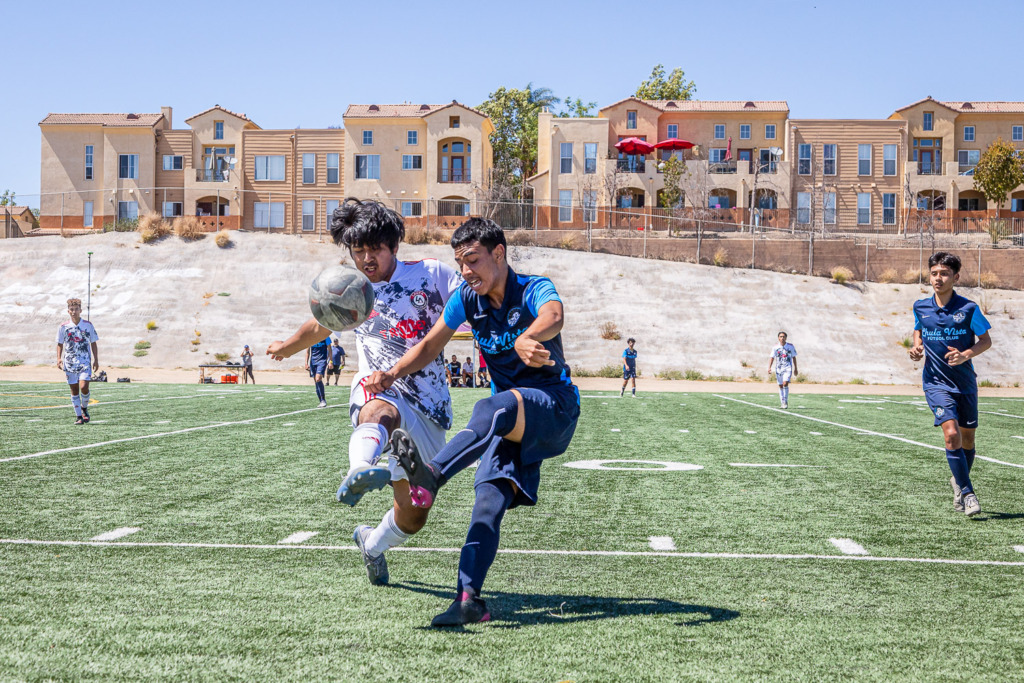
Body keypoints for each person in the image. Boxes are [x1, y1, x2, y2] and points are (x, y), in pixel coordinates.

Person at [365, 218, 580, 627]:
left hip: (554, 408)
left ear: (499, 254)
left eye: (474, 260)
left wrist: (528, 336)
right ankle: (468, 599)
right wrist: (392, 373)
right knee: (486, 503)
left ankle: (430, 477)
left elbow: (554, 314)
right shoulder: (467, 298)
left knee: (488, 407)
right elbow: (430, 344)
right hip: (509, 420)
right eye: (459, 262)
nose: (465, 271)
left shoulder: (533, 288)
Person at [267, 197, 461, 585]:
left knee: (414, 514)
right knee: (380, 412)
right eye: (359, 251)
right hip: (379, 384)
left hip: (429, 404)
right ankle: (360, 468)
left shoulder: (431, 274)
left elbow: (470, 304)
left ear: (394, 247)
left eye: (375, 249)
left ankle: (371, 545)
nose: (367, 258)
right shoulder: (351, 288)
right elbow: (321, 324)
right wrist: (287, 347)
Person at [909, 251, 992, 518]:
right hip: (935, 383)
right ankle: (967, 493)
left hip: (965, 384)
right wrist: (916, 346)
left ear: (955, 277)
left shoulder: (969, 309)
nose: (938, 278)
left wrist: (965, 354)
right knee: (952, 434)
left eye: (944, 273)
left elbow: (985, 340)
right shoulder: (920, 306)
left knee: (967, 438)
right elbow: (918, 327)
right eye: (934, 273)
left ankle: (958, 480)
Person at [56, 298, 99, 425]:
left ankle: (84, 407)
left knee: (84, 387)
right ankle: (79, 416)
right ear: (68, 311)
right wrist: (59, 358)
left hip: (84, 361)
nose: (74, 312)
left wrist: (96, 360)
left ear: (80, 310)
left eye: (76, 309)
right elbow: (59, 343)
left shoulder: (88, 325)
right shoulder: (63, 327)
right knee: (74, 390)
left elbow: (93, 343)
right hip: (69, 362)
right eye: (71, 309)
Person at [768, 331, 798, 409]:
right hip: (779, 368)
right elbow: (772, 357)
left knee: (785, 383)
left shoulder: (790, 346)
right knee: (780, 385)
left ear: (786, 338)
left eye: (783, 336)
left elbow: (794, 357)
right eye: (781, 336)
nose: (782, 338)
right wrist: (769, 367)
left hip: (788, 367)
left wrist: (795, 368)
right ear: (778, 338)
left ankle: (785, 401)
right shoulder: (775, 347)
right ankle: (782, 401)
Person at [306, 336, 330, 407]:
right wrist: (306, 363)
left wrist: (330, 361)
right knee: (316, 381)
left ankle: (323, 400)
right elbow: (307, 352)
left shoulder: (326, 337)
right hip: (313, 362)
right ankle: (320, 400)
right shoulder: (310, 338)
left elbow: (330, 349)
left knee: (318, 378)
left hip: (322, 361)